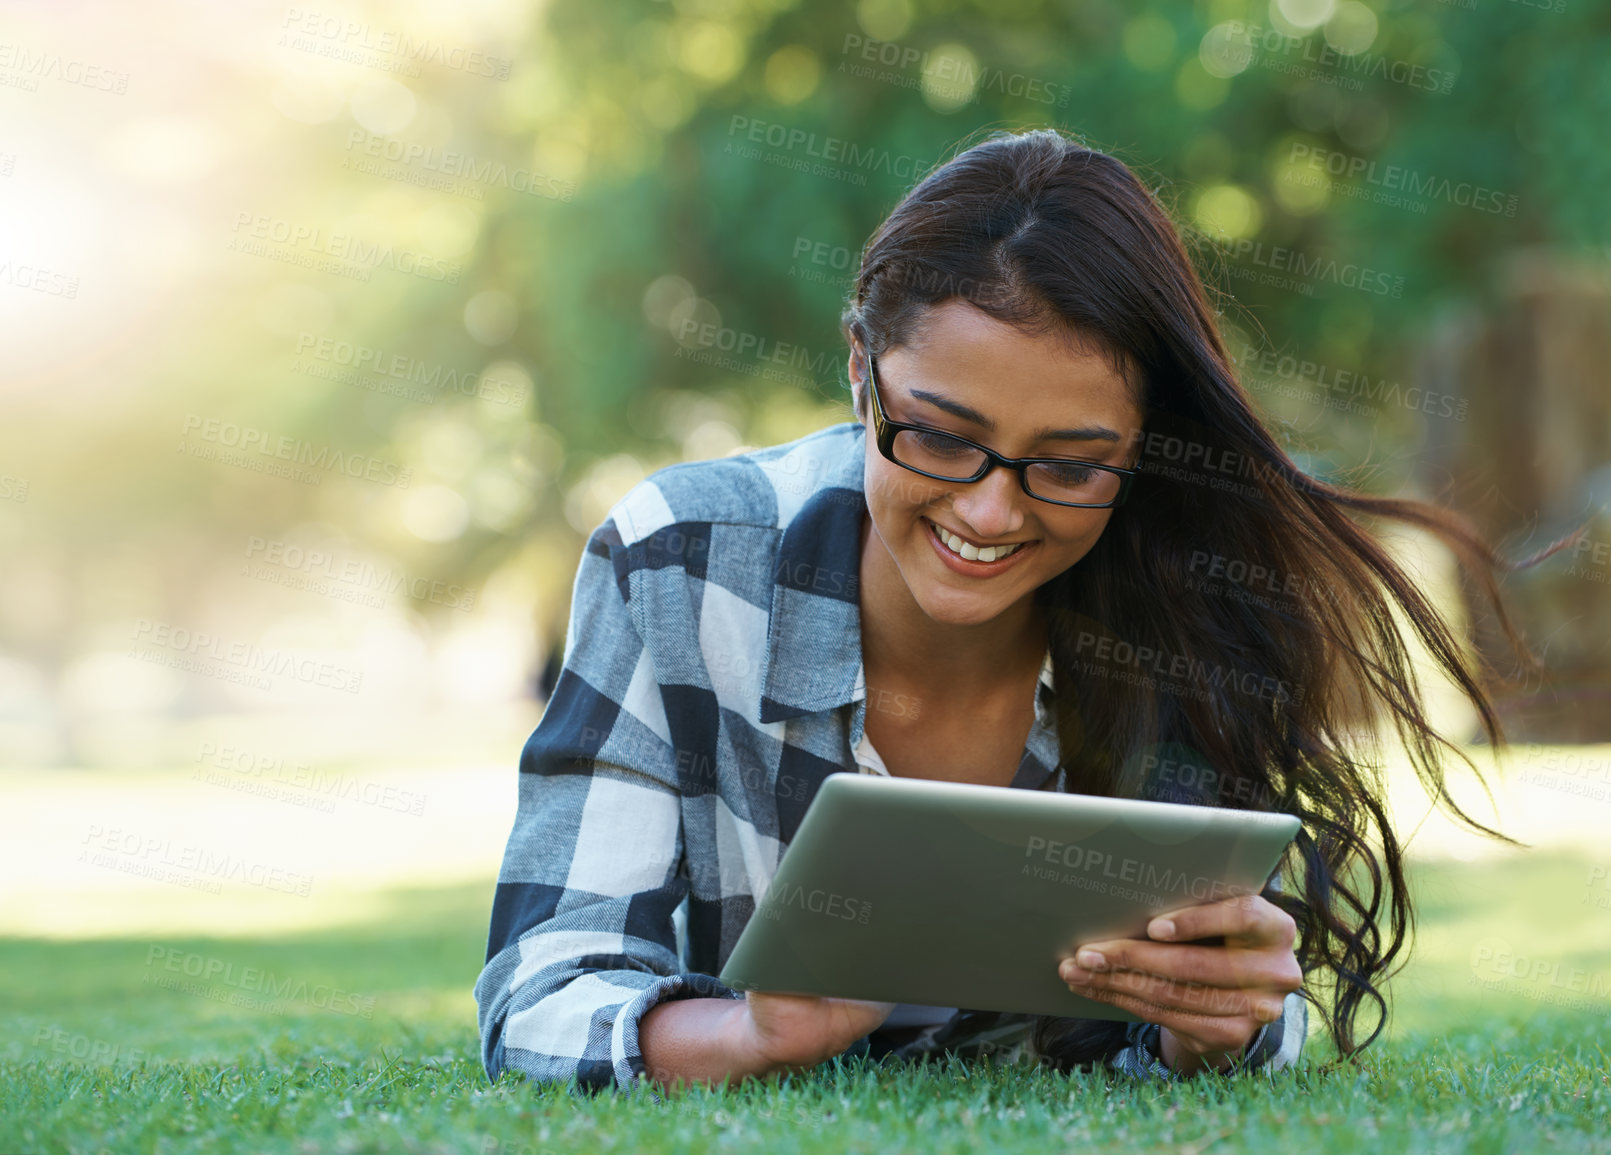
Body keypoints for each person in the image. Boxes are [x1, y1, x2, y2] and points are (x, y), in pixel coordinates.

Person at [473, 127, 1548, 1096]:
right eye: (939, 435)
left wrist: (1220, 1021)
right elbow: (542, 986)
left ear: (1139, 452)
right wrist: (750, 1036)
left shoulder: (1185, 600)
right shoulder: (680, 560)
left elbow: (1233, 1000)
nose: (990, 511)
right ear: (862, 373)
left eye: (1072, 465)